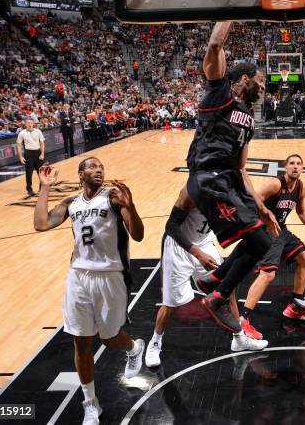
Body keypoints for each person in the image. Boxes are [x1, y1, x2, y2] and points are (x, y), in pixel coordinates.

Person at [33, 158, 146, 425]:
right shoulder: (71, 203)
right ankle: (90, 403)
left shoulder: (115, 198)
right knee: (81, 341)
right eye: (93, 166)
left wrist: (131, 206)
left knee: (109, 339)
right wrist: (44, 188)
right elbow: (40, 224)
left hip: (111, 277)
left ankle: (133, 348)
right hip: (78, 277)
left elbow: (138, 235)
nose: (99, 170)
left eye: (102, 167)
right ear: (81, 173)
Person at [186, 20, 280, 334]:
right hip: (209, 180)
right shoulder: (220, 93)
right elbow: (214, 47)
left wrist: (261, 207)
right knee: (259, 242)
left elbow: (242, 169)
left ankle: (212, 280)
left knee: (262, 242)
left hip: (228, 182)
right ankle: (216, 297)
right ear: (243, 80)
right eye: (261, 81)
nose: (264, 88)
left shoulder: (250, 118)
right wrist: (232, 11)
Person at [198, 154, 305, 339]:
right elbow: (253, 201)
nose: (295, 167)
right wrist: (257, 224)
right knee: (268, 274)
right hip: (264, 230)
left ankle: (294, 308)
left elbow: (301, 210)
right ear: (285, 167)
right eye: (291, 163)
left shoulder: (301, 187)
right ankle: (244, 320)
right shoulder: (275, 184)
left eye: (298, 164)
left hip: (281, 230)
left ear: (302, 168)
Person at [145, 185, 267, 368]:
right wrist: (198, 254)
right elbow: (171, 226)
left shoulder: (229, 189)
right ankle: (155, 343)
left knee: (227, 288)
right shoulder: (191, 191)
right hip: (179, 246)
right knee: (171, 303)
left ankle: (239, 337)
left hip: (205, 244)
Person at [16, 119, 45, 197]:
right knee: (29, 173)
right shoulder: (22, 133)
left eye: (31, 123)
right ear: (25, 124)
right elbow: (18, 145)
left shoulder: (38, 131)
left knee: (41, 173)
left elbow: (42, 143)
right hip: (28, 154)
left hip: (38, 153)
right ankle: (29, 189)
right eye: (28, 123)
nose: (30, 124)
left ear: (33, 124)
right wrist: (21, 157)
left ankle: (42, 188)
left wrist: (42, 153)